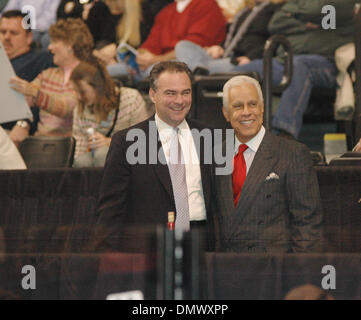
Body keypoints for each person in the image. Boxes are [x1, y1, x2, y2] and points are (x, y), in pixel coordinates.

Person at [96, 61, 214, 250]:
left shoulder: (209, 137)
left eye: (186, 92)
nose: (180, 101)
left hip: (203, 245)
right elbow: (111, 210)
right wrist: (108, 260)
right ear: (152, 94)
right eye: (170, 93)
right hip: (150, 249)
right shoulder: (127, 142)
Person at [212, 75, 322, 253]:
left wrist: (299, 274)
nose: (247, 112)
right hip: (226, 271)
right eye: (238, 106)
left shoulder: (292, 153)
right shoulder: (215, 155)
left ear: (262, 108)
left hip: (274, 272)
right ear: (226, 113)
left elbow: (307, 225)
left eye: (253, 104)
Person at [9, 18, 93, 140]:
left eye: (54, 42)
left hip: (69, 146)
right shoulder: (47, 74)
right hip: (39, 143)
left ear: (69, 45)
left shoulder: (88, 75)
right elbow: (24, 101)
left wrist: (35, 94)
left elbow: (68, 109)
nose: (50, 47)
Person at [107, 0, 227, 79]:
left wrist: (154, 59)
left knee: (182, 47)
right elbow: (150, 45)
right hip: (157, 64)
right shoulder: (165, 12)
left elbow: (192, 48)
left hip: (190, 64)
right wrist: (141, 56)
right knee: (109, 71)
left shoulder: (207, 5)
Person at [70, 58, 151, 167]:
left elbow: (142, 140)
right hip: (93, 158)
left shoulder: (131, 99)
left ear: (99, 87)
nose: (79, 97)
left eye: (83, 92)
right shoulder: (80, 109)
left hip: (128, 158)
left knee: (103, 155)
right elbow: (79, 147)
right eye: (76, 91)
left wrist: (110, 142)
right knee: (81, 161)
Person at [175, 0, 286, 72]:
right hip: (222, 57)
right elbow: (232, 37)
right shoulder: (245, 11)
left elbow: (276, 40)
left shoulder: (278, 10)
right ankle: (196, 71)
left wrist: (251, 57)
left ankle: (194, 72)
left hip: (239, 61)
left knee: (175, 69)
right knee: (183, 46)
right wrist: (219, 47)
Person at [0, 10, 54, 145]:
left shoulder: (42, 61)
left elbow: (46, 97)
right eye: (2, 32)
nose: (6, 37)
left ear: (29, 37)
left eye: (14, 33)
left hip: (15, 131)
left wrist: (24, 123)